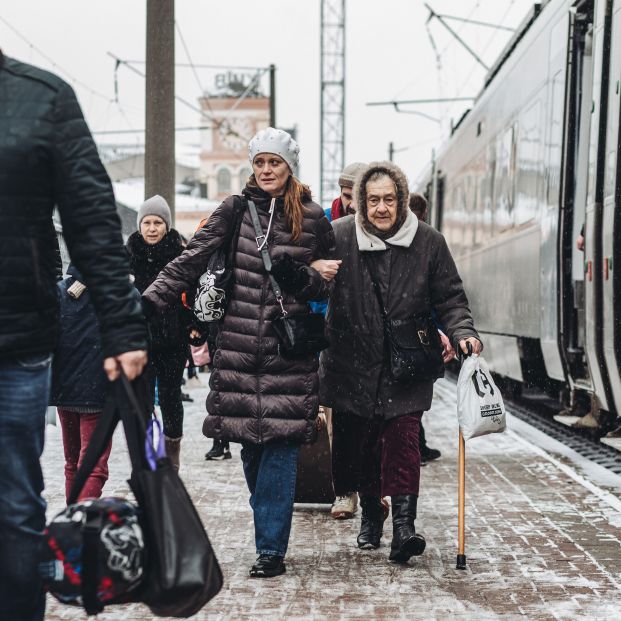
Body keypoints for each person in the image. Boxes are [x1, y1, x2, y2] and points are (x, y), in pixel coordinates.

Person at [143, 127, 334, 578]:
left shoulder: (313, 218)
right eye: (260, 162)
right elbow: (190, 259)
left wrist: (303, 274)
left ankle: (271, 549)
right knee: (251, 448)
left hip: (290, 351)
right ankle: (268, 520)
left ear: (290, 167)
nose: (267, 170)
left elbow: (327, 282)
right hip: (238, 349)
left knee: (282, 448)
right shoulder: (233, 210)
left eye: (276, 162)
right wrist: (148, 301)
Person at [0, 51, 147, 621]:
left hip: (12, 342)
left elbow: (91, 221)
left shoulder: (44, 98)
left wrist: (123, 323)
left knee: (11, 507)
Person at [318, 161, 482, 564]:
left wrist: (463, 332)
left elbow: (451, 298)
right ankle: (372, 513)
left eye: (389, 199)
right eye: (372, 200)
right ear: (360, 202)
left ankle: (404, 529)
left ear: (402, 201)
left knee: (404, 443)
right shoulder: (338, 237)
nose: (380, 208)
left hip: (407, 361)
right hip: (350, 362)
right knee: (361, 448)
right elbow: (306, 283)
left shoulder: (428, 242)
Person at [50, 266, 141, 501]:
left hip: (66, 392)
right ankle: (81, 523)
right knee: (93, 466)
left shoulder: (61, 291)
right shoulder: (123, 293)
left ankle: (73, 521)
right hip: (101, 393)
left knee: (72, 464)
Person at [127, 195, 190, 470]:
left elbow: (192, 293)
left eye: (157, 223)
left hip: (172, 339)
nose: (152, 228)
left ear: (166, 225)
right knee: (140, 400)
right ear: (140, 226)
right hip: (138, 341)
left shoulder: (179, 254)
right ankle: (143, 456)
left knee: (170, 397)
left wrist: (194, 327)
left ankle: (171, 450)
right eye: (147, 223)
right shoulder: (128, 256)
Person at [408, 192, 454, 465]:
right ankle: (418, 448)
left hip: (417, 344)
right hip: (417, 344)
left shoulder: (431, 244)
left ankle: (417, 448)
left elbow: (449, 298)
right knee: (410, 408)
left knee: (409, 410)